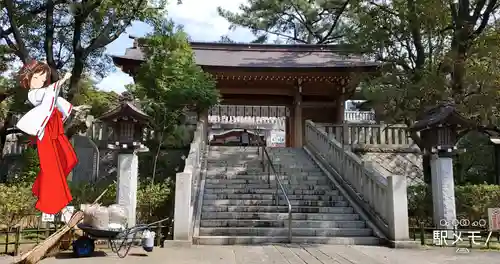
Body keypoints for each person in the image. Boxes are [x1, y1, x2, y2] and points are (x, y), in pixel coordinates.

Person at [16, 60, 78, 214]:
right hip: (46, 131)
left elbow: (55, 98)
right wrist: (63, 80)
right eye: (37, 77)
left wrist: (73, 108)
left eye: (43, 79)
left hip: (55, 129)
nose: (41, 81)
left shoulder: (45, 92)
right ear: (28, 77)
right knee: (52, 167)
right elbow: (50, 93)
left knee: (70, 159)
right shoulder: (33, 94)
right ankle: (55, 204)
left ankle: (41, 187)